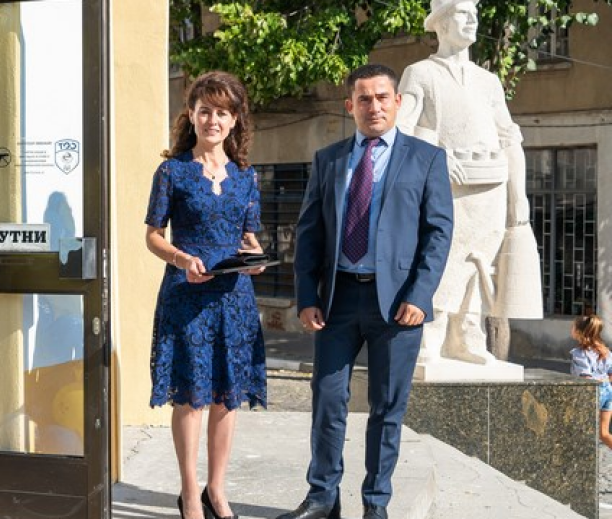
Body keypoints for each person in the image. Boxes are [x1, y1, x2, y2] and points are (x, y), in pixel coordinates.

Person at [280, 64, 453, 519]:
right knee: (327, 399)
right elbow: (309, 232)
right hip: (337, 300)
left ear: (397, 102)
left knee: (386, 408)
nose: (373, 106)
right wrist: (307, 295)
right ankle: (322, 497)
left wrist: (420, 294)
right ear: (350, 106)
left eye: (381, 97)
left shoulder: (426, 159)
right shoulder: (329, 160)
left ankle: (376, 503)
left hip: (398, 306)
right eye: (363, 99)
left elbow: (438, 233)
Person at [144, 70, 267, 519]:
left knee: (225, 396)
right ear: (192, 116)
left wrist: (255, 258)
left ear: (235, 120)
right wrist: (181, 259)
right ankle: (190, 493)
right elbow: (152, 236)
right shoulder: (171, 171)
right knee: (191, 397)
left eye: (222, 112)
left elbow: (249, 238)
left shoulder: (246, 176)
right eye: (205, 111)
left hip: (234, 299)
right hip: (187, 294)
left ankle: (217, 490)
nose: (213, 120)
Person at [397, 0, 542, 365]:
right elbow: (402, 131)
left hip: (491, 188)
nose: (473, 20)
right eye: (464, 13)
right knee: (442, 258)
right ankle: (429, 335)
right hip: (446, 189)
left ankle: (467, 336)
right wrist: (436, 160)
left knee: (481, 262)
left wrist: (518, 196)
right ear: (442, 23)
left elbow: (508, 138)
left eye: (475, 14)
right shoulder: (420, 73)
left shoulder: (488, 81)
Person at [570, 314, 612, 449]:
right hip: (609, 393)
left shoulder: (579, 353)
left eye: (573, 326)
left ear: (579, 332)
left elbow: (586, 378)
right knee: (604, 434)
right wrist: (604, 381)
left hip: (593, 393)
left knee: (579, 432)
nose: (571, 329)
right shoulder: (606, 351)